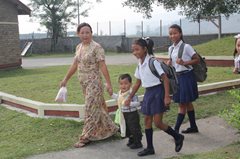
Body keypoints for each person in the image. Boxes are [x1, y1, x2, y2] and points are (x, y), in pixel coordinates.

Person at [60, 22, 118, 148]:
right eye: (82, 32)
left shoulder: (97, 47)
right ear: (78, 34)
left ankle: (86, 136)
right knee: (97, 108)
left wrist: (108, 83)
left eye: (88, 32)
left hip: (94, 84)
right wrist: (65, 79)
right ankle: (111, 128)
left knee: (90, 108)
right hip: (84, 83)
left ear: (91, 33)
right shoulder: (79, 47)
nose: (85, 35)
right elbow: (75, 65)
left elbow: (102, 65)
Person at [125, 37, 184, 157]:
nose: (135, 52)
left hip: (158, 92)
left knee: (158, 123)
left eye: (137, 49)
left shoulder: (153, 62)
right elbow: (137, 82)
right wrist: (129, 97)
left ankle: (177, 137)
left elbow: (165, 78)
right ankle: (150, 148)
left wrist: (167, 96)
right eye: (133, 50)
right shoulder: (140, 63)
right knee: (147, 120)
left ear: (145, 49)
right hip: (148, 93)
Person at [167, 24, 200, 134]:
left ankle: (175, 130)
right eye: (171, 34)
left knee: (182, 104)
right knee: (188, 103)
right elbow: (172, 63)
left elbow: (196, 59)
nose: (173, 35)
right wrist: (169, 63)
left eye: (175, 33)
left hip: (186, 77)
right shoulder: (171, 48)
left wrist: (185, 62)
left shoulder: (186, 47)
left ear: (180, 33)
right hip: (177, 78)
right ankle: (193, 127)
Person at [111, 73, 142, 149]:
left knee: (134, 128)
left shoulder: (132, 93)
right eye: (121, 84)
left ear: (130, 84)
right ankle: (131, 139)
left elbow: (138, 103)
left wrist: (129, 103)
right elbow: (117, 98)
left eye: (126, 83)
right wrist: (111, 93)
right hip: (124, 114)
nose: (123, 86)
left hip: (132, 114)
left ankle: (138, 142)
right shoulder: (120, 93)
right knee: (127, 127)